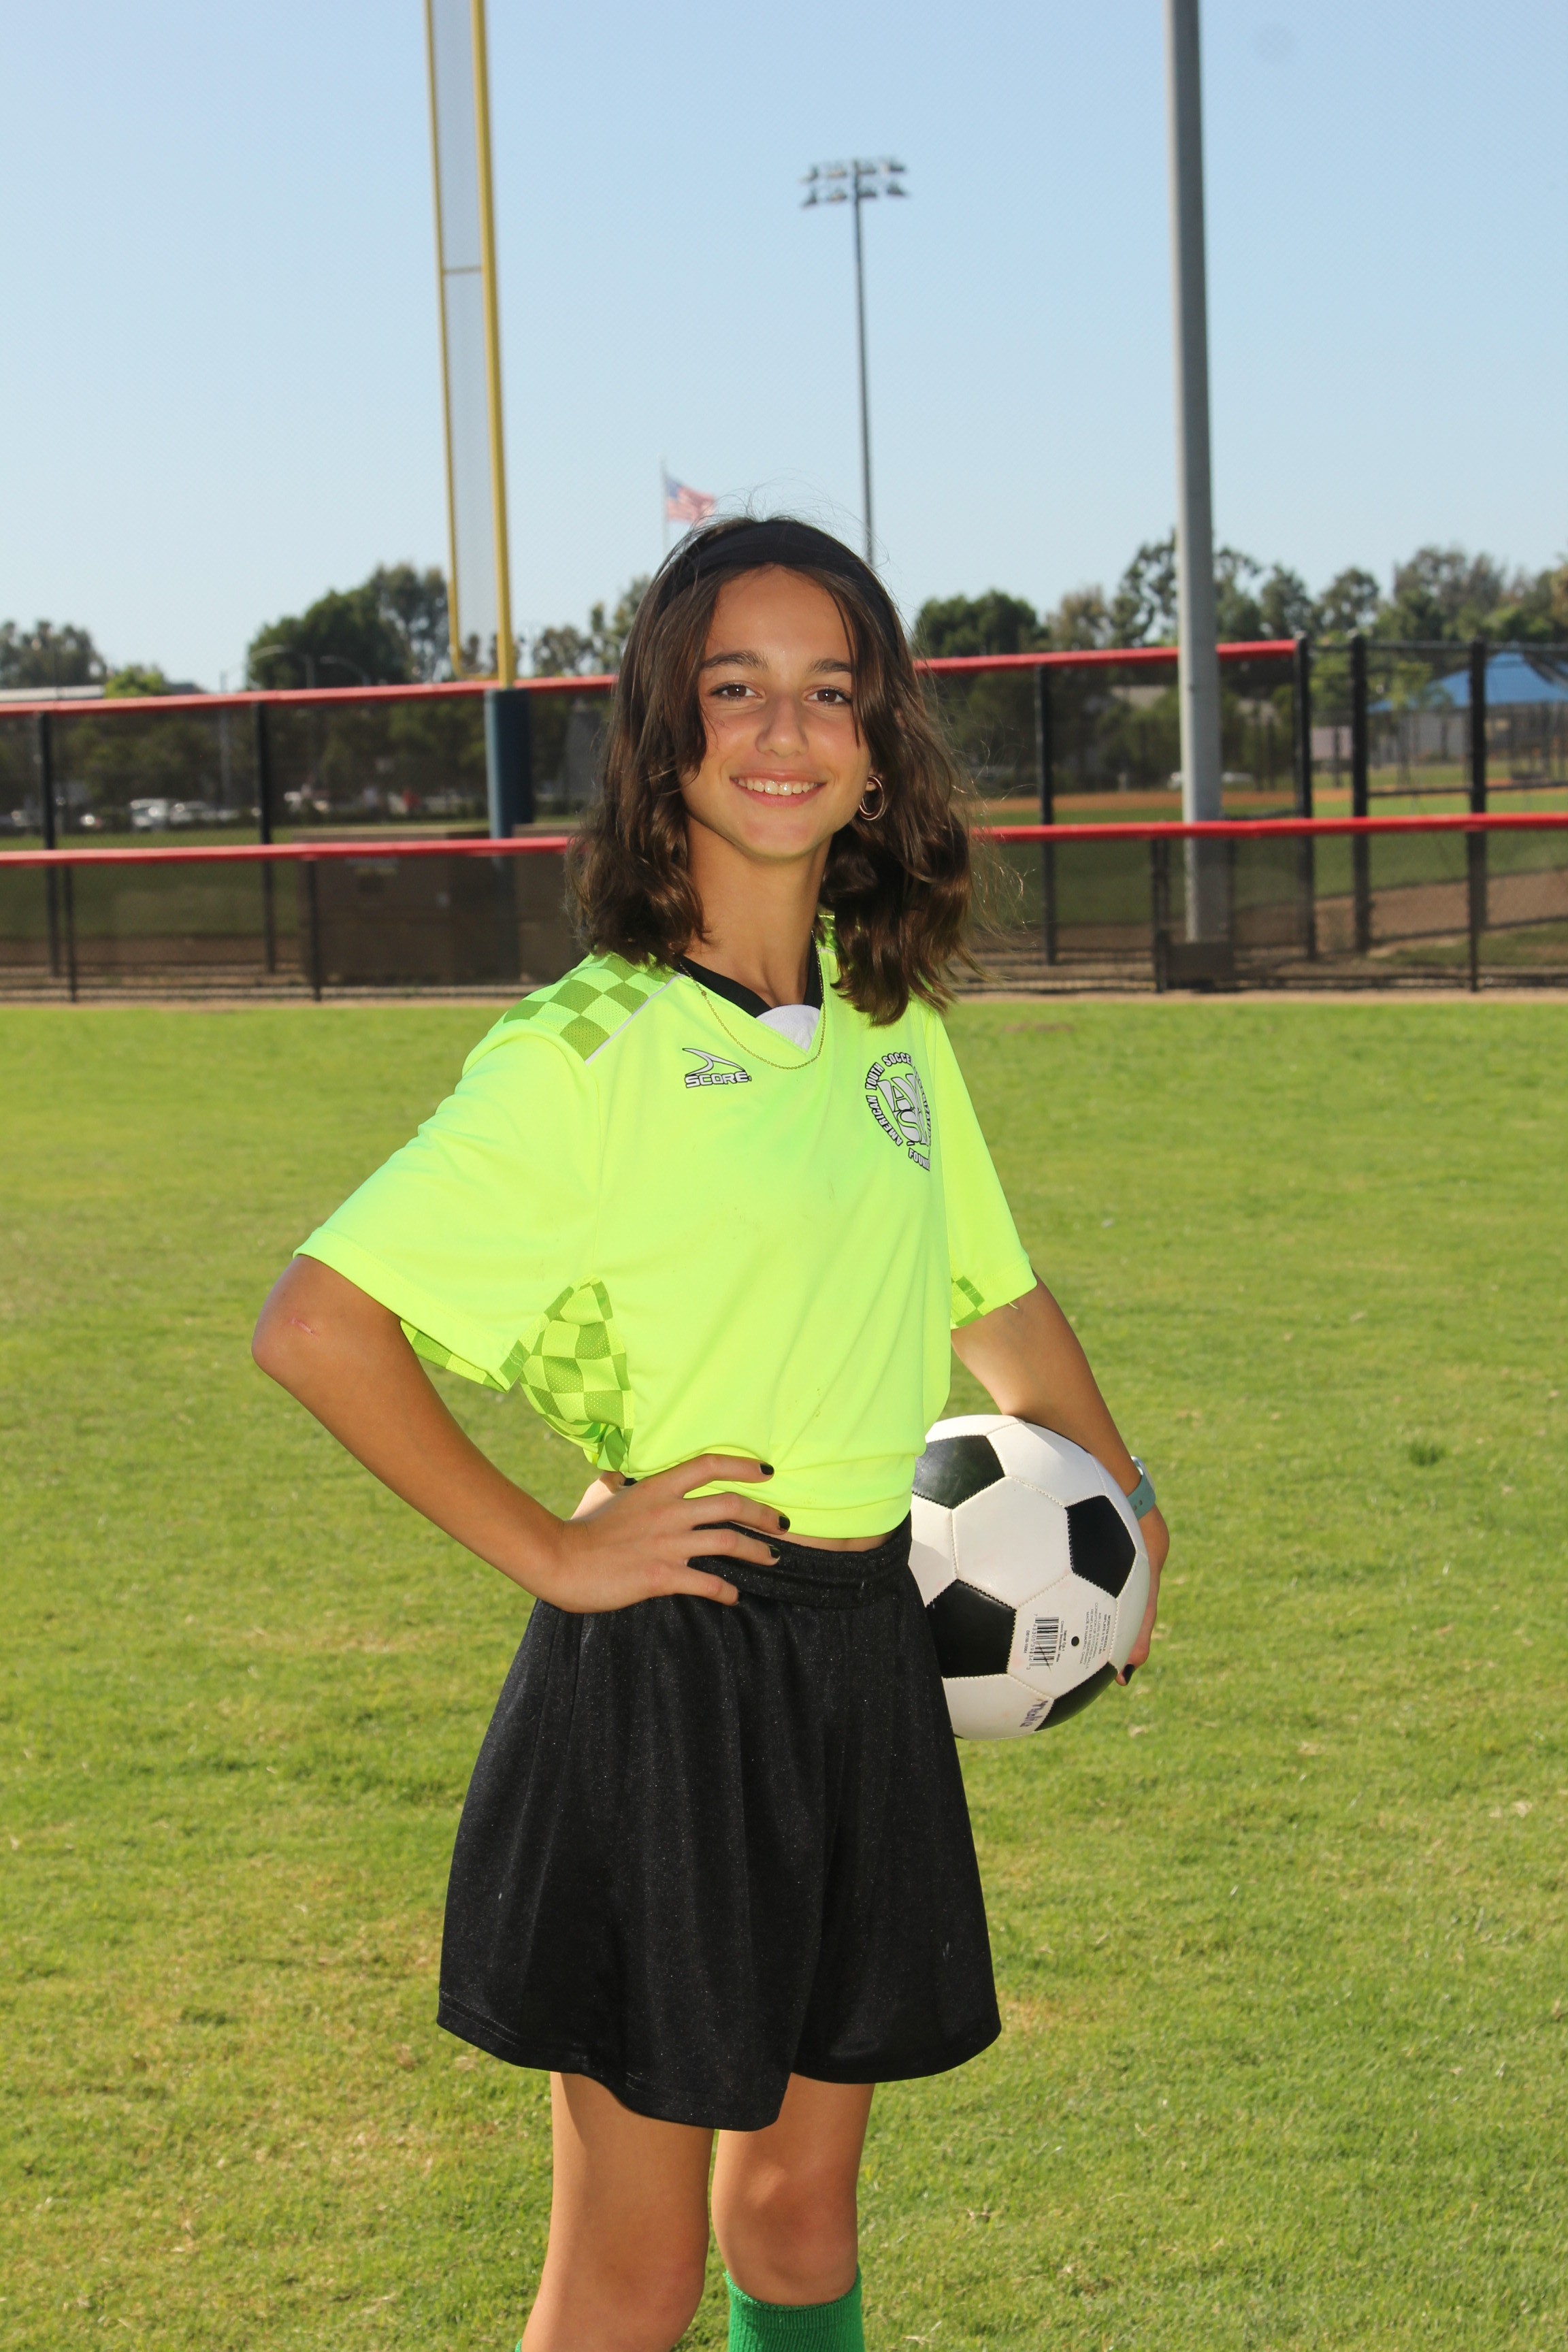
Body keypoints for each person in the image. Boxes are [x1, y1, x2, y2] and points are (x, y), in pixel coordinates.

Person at [252, 516, 1169, 2352]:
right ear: (665, 735)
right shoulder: (582, 1055)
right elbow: (317, 1324)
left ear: (878, 746)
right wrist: (559, 1549)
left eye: (830, 690)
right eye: (734, 687)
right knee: (636, 2266)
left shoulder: (893, 1036)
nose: (784, 728)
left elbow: (996, 1303)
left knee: (800, 2215)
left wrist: (1128, 1507)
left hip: (866, 1651)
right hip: (669, 1674)